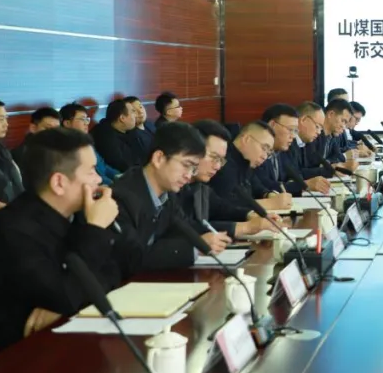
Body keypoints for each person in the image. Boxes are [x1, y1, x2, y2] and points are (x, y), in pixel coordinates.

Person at [0, 128, 123, 356]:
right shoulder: (16, 230)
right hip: (3, 357)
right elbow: (68, 295)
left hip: (55, 341)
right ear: (59, 182)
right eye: (91, 171)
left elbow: (115, 270)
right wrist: (96, 228)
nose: (99, 179)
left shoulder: (73, 214)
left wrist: (64, 305)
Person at [111, 122, 229, 275]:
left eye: (193, 169)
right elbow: (131, 257)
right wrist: (195, 248)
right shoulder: (121, 197)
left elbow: (184, 230)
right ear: (159, 158)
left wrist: (204, 241)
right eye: (186, 165)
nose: (188, 175)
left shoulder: (168, 197)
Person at [181, 120, 276, 239]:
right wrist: (245, 227)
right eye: (213, 157)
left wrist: (250, 215)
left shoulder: (199, 185)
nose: (217, 166)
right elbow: (183, 227)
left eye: (221, 160)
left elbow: (220, 208)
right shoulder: (174, 188)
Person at [208, 121, 290, 218]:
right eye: (264, 148)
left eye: (268, 153)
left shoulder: (246, 161)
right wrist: (270, 203)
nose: (264, 156)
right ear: (246, 139)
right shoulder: (223, 162)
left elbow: (257, 186)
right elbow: (227, 204)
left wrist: (269, 195)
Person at [254, 104, 308, 196]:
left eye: (295, 131)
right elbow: (264, 185)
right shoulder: (256, 151)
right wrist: (301, 185)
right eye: (290, 129)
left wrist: (293, 183)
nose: (293, 136)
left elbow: (296, 174)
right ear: (272, 125)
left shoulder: (285, 150)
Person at [60, 103, 119, 185]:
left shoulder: (86, 142)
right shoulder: (64, 148)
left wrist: (120, 176)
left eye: (87, 119)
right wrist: (112, 184)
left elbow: (104, 166)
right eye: (82, 119)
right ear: (67, 123)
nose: (86, 123)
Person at [291, 102, 334, 192]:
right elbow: (297, 174)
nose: (319, 132)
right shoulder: (288, 143)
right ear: (303, 120)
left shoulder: (306, 143)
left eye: (321, 129)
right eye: (317, 126)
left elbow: (307, 169)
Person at [91, 99, 141, 173]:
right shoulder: (105, 136)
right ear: (122, 118)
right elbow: (119, 165)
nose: (136, 115)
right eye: (133, 111)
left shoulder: (130, 131)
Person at [123, 96, 154, 161]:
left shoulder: (150, 124)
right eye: (134, 110)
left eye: (140, 107)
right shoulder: (132, 136)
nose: (140, 111)